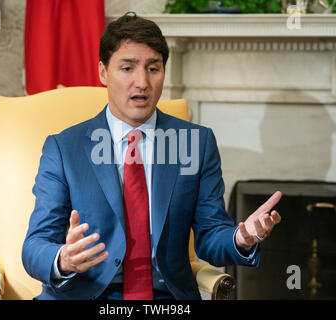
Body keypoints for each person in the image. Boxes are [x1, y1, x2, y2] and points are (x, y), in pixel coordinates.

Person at [22, 12, 282, 300]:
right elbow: (35, 245)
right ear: (103, 73)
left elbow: (210, 236)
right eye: (127, 68)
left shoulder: (196, 142)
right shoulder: (64, 148)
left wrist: (242, 238)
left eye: (153, 69)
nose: (142, 82)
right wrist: (63, 259)